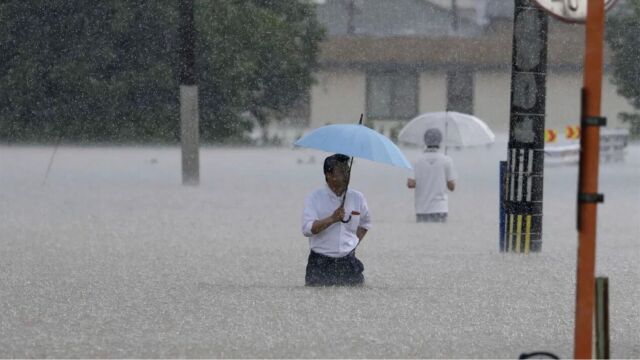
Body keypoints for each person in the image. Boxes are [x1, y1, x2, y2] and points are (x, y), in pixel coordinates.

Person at [301, 154, 371, 286]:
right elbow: (307, 229)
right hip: (320, 263)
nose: (346, 174)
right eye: (341, 171)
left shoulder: (358, 198)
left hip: (348, 262)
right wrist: (332, 219)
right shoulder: (314, 198)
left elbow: (365, 223)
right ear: (329, 174)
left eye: (347, 170)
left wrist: (352, 244)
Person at [407, 128, 457, 223]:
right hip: (440, 209)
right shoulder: (447, 160)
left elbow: (410, 184)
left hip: (422, 209)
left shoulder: (416, 161)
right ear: (440, 141)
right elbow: (452, 187)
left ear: (425, 141)